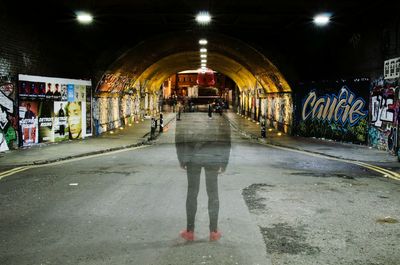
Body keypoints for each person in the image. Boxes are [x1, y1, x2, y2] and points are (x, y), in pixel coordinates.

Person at [175, 114, 231, 241]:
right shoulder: (219, 114)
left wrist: (182, 158)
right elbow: (226, 139)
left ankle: (190, 231)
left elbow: (179, 136)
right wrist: (224, 161)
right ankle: (214, 231)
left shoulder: (188, 112)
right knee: (213, 193)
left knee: (192, 193)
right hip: (212, 158)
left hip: (192, 158)